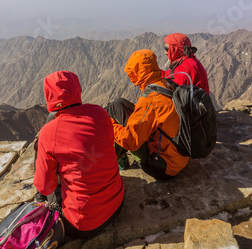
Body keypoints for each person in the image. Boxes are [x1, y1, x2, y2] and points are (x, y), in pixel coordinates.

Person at [33, 70, 124, 240]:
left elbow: (46, 187)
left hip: (83, 224)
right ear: (78, 89)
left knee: (46, 170)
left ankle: (39, 203)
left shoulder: (49, 132)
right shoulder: (101, 113)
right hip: (117, 204)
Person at [106, 49, 189, 180]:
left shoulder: (151, 101)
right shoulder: (168, 84)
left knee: (111, 112)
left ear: (136, 74)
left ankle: (110, 164)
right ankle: (116, 158)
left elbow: (131, 142)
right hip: (178, 157)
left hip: (162, 167)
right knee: (118, 104)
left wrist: (110, 126)